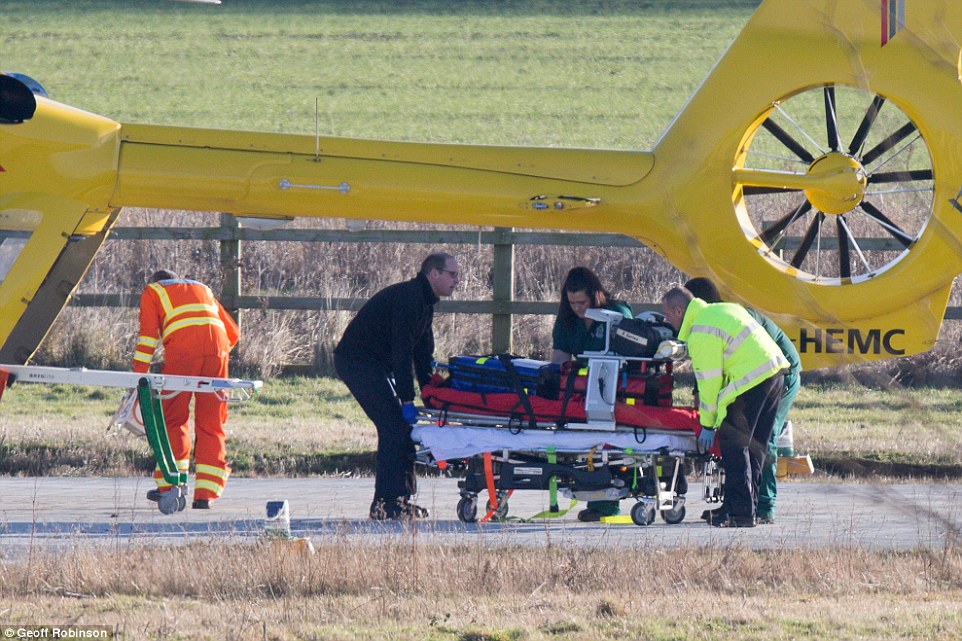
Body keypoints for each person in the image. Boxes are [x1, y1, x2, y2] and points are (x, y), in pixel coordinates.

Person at [334, 252, 460, 520]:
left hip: (377, 365)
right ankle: (385, 504)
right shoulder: (409, 299)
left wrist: (431, 397)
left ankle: (399, 500)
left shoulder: (425, 303)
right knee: (393, 425)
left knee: (401, 428)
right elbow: (402, 352)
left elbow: (422, 356)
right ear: (433, 273)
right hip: (357, 361)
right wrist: (405, 399)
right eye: (452, 274)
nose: (456, 281)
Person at [661, 286, 788, 527]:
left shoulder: (701, 331)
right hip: (775, 371)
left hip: (752, 378)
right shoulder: (722, 309)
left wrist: (708, 424)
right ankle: (744, 507)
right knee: (755, 446)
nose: (667, 320)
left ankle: (740, 514)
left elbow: (709, 384)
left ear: (679, 311)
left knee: (733, 443)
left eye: (667, 314)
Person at [134, 270, 239, 510]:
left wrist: (139, 375)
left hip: (183, 352)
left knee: (174, 418)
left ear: (154, 281)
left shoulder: (153, 291)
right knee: (212, 423)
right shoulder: (203, 287)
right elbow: (233, 333)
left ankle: (172, 485)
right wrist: (213, 357)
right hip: (218, 351)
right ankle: (206, 494)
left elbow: (148, 338)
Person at [551, 266, 632, 522]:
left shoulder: (617, 314)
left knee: (607, 443)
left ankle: (608, 503)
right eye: (572, 302)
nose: (577, 308)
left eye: (582, 302)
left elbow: (630, 357)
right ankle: (597, 497)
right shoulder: (567, 321)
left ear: (595, 296)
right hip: (583, 392)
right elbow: (559, 361)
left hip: (615, 388)